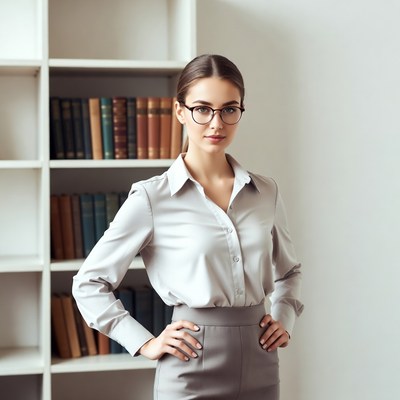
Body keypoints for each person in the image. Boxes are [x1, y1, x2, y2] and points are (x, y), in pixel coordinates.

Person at [72, 54, 303, 400]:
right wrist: (145, 342)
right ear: (180, 111)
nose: (216, 123)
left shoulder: (266, 191)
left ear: (240, 111)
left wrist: (284, 317)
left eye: (229, 109)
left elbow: (289, 272)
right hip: (191, 362)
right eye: (202, 109)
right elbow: (89, 283)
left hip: (261, 360)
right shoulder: (152, 197)